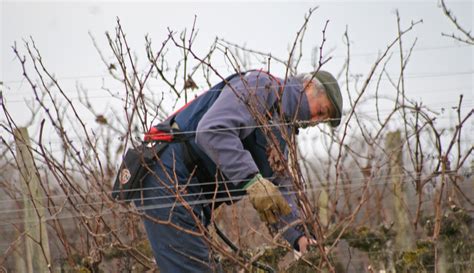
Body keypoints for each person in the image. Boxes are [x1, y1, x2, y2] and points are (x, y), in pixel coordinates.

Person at [135, 69, 342, 272]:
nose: (314, 122)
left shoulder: (281, 128)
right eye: (321, 112)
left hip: (193, 195)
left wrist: (299, 236)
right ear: (307, 86)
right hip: (170, 177)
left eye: (321, 121)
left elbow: (279, 186)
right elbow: (212, 130)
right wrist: (252, 180)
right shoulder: (261, 87)